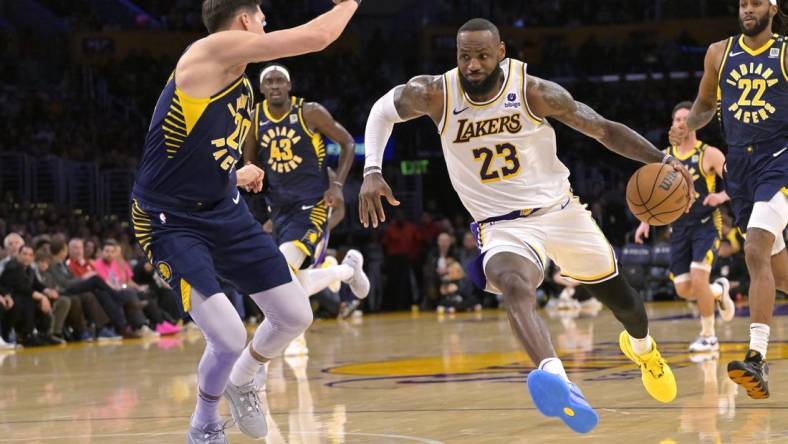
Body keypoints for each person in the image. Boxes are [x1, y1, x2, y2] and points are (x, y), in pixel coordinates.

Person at [359, 18, 694, 434]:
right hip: (501, 225)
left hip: (559, 211)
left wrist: (661, 161)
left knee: (625, 303)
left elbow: (603, 130)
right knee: (515, 286)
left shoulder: (534, 91)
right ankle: (557, 378)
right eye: (465, 57)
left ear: (501, 52)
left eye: (482, 56)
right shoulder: (435, 93)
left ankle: (643, 349)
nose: (474, 65)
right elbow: (380, 110)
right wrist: (372, 168)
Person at [129, 1, 360, 442]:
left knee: (294, 315)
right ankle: (204, 423)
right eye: (261, 17)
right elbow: (317, 37)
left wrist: (233, 172)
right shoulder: (209, 52)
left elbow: (196, 149)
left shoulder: (236, 79)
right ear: (244, 20)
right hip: (168, 220)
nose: (266, 23)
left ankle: (244, 379)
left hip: (221, 208)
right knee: (229, 336)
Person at [671, 0, 787, 399]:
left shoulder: (785, 52)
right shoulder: (719, 52)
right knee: (779, 273)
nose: (747, 9)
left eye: (755, 3)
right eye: (742, 3)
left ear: (772, 8)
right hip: (740, 172)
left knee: (755, 249)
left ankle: (756, 356)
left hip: (779, 163)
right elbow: (703, 106)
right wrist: (688, 126)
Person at [242, 64, 369, 356]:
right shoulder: (255, 118)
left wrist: (337, 184)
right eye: (269, 82)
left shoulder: (309, 112)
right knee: (289, 280)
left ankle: (277, 341)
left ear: (289, 86)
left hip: (312, 205)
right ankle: (346, 270)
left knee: (280, 269)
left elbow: (347, 142)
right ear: (261, 89)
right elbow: (251, 166)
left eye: (280, 81)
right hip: (279, 209)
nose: (274, 86)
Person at [635, 101, 736, 352]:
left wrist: (721, 197)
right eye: (676, 120)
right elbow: (654, 195)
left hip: (705, 224)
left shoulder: (709, 154)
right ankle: (718, 290)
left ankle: (708, 336)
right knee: (684, 289)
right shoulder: (664, 157)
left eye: (685, 119)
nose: (680, 123)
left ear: (695, 123)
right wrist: (645, 221)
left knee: (698, 276)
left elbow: (736, 181)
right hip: (679, 229)